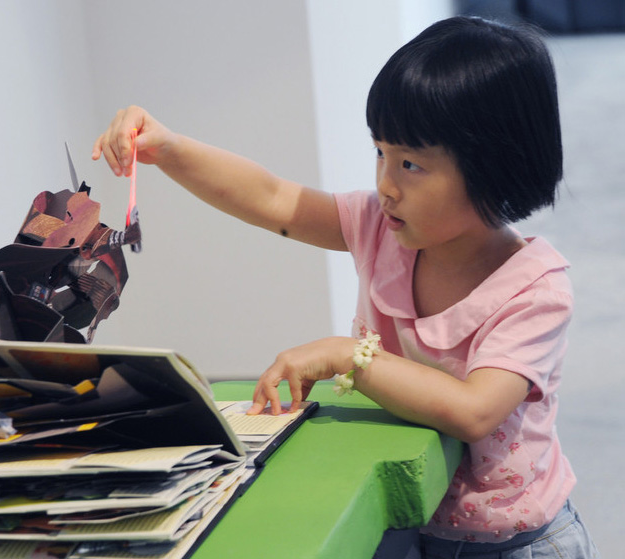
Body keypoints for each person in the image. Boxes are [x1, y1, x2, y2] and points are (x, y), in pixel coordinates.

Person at [93, 15, 599, 558]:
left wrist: (345, 355)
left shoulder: (534, 290)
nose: (385, 184)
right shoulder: (380, 230)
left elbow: (474, 410)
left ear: (494, 167)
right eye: (380, 153)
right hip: (411, 528)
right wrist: (168, 148)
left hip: (517, 545)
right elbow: (271, 198)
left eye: (410, 164)